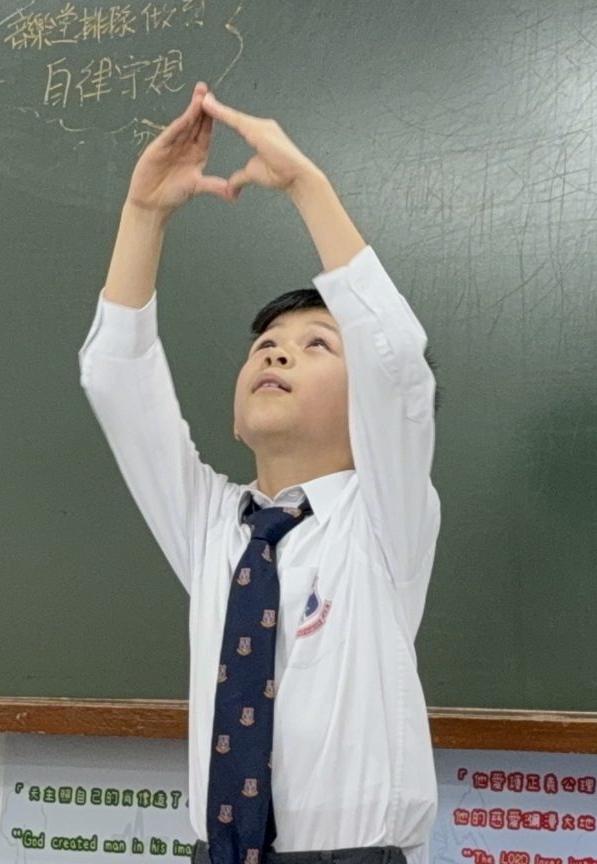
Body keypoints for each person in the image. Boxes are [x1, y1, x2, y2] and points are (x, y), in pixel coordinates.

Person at [79, 82, 440, 864]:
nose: (277, 353)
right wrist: (144, 215)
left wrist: (306, 186)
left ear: (367, 411)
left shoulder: (384, 519)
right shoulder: (216, 529)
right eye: (265, 346)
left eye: (317, 345)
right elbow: (118, 381)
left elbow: (397, 364)